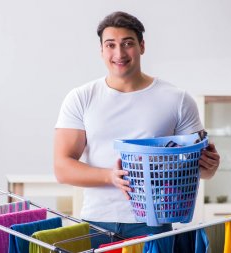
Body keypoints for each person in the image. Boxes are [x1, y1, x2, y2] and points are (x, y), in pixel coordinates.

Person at [53, 11, 220, 246]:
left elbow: (200, 170)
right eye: (110, 45)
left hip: (155, 222)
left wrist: (209, 166)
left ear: (142, 46)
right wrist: (110, 177)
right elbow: (62, 168)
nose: (119, 53)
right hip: (97, 221)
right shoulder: (81, 98)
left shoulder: (177, 99)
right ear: (101, 50)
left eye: (128, 43)